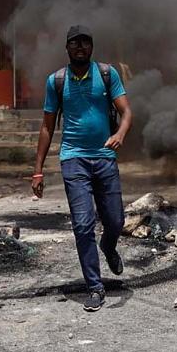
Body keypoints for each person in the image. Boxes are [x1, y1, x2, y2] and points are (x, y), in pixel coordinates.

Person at [31, 25, 133, 312]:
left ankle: (109, 247)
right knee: (82, 224)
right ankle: (95, 286)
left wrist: (120, 134)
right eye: (74, 43)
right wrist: (37, 170)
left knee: (115, 221)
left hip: (104, 158)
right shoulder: (57, 81)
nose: (80, 47)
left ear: (91, 47)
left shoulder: (106, 74)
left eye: (85, 42)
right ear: (66, 48)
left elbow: (126, 112)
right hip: (73, 159)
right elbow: (47, 126)